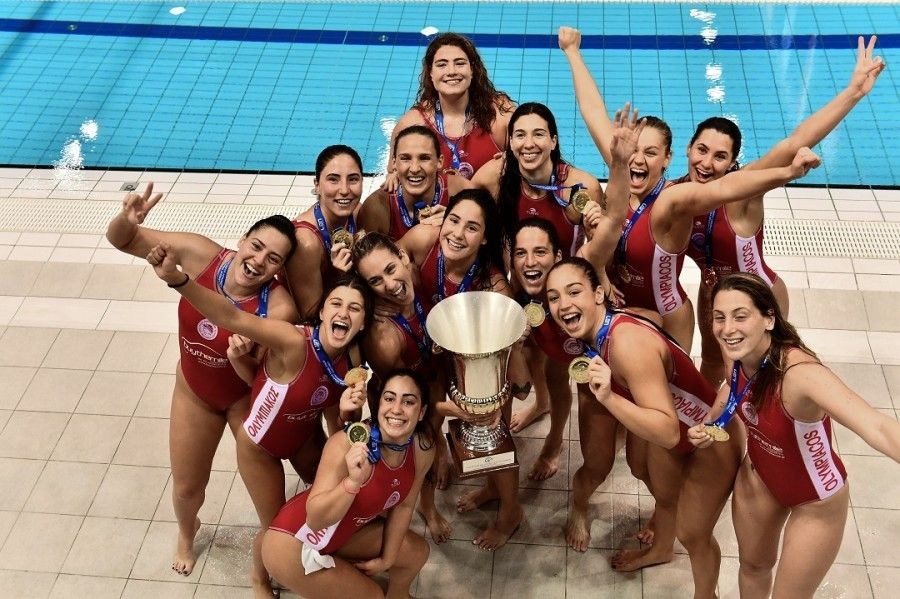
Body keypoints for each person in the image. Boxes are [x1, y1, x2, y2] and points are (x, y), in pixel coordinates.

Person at [558, 26, 822, 351]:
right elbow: (593, 112)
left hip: (668, 315)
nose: (637, 159)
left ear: (667, 158)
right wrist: (572, 51)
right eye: (633, 149)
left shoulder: (672, 199)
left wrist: (787, 173)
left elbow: (727, 188)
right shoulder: (620, 170)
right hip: (617, 304)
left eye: (651, 152)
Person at [148, 243, 371, 598]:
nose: (343, 313)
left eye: (354, 308)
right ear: (323, 312)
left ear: (362, 323)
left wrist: (348, 411)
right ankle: (259, 578)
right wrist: (179, 281)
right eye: (336, 304)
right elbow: (233, 318)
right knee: (275, 525)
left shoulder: (355, 364)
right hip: (259, 449)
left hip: (303, 438)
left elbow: (345, 428)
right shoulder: (293, 341)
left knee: (334, 497)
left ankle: (328, 550)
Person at [105, 183, 298, 577]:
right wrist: (126, 220)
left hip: (244, 399)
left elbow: (262, 379)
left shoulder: (279, 309)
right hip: (194, 393)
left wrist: (242, 358)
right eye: (256, 246)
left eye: (273, 259)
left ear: (279, 270)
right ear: (242, 239)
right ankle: (186, 530)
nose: (258, 261)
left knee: (268, 498)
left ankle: (275, 554)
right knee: (186, 489)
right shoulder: (200, 254)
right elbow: (122, 241)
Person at [680, 36, 885, 387]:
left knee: (761, 373)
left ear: (733, 165)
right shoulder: (675, 193)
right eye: (702, 150)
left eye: (720, 157)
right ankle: (712, 419)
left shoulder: (742, 190)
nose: (707, 163)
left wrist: (854, 91)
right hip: (714, 290)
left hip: (760, 293)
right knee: (712, 359)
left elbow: (795, 142)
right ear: (688, 148)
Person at [690, 273, 900, 599]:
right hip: (759, 478)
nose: (727, 329)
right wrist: (713, 422)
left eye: (740, 316)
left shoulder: (800, 375)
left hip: (814, 499)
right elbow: (732, 385)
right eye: (720, 318)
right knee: (752, 567)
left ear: (769, 319)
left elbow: (877, 427)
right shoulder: (736, 350)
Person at [398, 188, 526, 550]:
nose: (457, 233)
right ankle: (427, 506)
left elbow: (516, 369)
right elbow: (391, 261)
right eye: (453, 220)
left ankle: (510, 512)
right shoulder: (423, 240)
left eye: (472, 227)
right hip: (430, 353)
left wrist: (516, 380)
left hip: (475, 368)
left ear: (484, 238)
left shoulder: (493, 285)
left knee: (495, 439)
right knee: (424, 432)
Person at [262, 369, 435, 599]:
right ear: (379, 404)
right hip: (294, 542)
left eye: (408, 402)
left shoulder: (422, 450)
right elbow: (315, 520)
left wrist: (387, 559)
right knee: (373, 596)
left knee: (417, 553)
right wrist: (352, 483)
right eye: (389, 398)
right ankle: (263, 578)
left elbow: (404, 506)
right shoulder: (346, 443)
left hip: (347, 533)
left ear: (421, 412)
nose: (396, 409)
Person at [351, 231, 453, 544]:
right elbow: (407, 403)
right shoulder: (383, 338)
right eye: (376, 281)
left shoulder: (420, 277)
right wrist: (447, 413)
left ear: (403, 256)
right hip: (404, 398)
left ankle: (440, 445)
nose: (390, 285)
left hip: (432, 373)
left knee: (435, 436)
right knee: (422, 447)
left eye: (390, 269)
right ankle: (428, 507)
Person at [472, 101, 604, 257]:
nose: (529, 144)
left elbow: (604, 259)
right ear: (512, 143)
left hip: (566, 272)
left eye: (538, 134)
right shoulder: (496, 176)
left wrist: (595, 238)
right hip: (515, 274)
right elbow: (462, 205)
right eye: (520, 135)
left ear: (553, 141)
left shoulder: (582, 187)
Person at [390, 32, 514, 181]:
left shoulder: (500, 113)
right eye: (442, 65)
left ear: (472, 69)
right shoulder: (411, 124)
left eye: (460, 63)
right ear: (430, 73)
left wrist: (515, 159)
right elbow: (393, 179)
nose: (451, 72)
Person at [286, 144, 364, 320]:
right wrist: (339, 277)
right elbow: (310, 314)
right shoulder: (306, 242)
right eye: (333, 180)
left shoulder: (357, 211)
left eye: (353, 179)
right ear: (317, 185)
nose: (344, 190)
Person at [358, 125, 470, 241]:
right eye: (405, 158)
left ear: (439, 162)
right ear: (394, 163)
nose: (415, 169)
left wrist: (455, 222)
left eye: (424, 158)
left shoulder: (461, 191)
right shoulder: (376, 208)